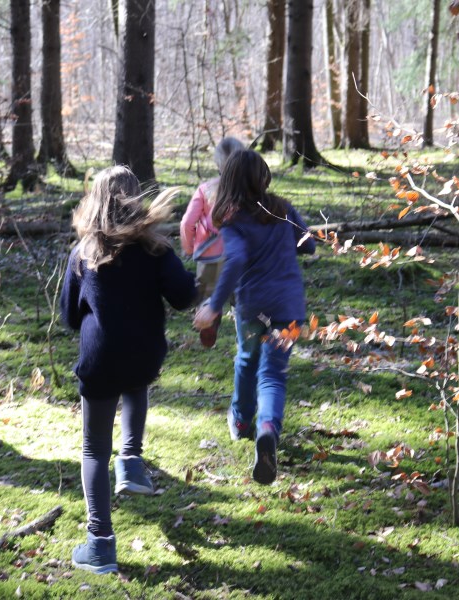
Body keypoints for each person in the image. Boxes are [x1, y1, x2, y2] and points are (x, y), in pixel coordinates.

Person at [60, 166, 197, 574]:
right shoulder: (156, 250)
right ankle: (132, 461)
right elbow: (184, 297)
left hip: (100, 357)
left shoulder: (82, 253)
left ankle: (100, 544)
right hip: (144, 353)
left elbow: (69, 316)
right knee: (137, 381)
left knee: (92, 449)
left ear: (94, 201)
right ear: (135, 200)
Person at [193, 150, 315, 485]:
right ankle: (267, 428)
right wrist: (289, 242)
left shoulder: (232, 221)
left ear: (229, 182)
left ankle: (243, 420)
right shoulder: (283, 209)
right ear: (264, 178)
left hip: (252, 308)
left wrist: (214, 306)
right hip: (289, 310)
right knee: (273, 373)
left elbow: (235, 261)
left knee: (247, 360)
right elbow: (310, 245)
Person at [179, 137, 245, 347]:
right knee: (241, 297)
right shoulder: (248, 192)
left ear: (217, 163)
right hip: (240, 256)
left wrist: (189, 247)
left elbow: (187, 222)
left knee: (207, 292)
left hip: (209, 254)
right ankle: (244, 336)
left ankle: (209, 320)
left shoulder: (205, 189)